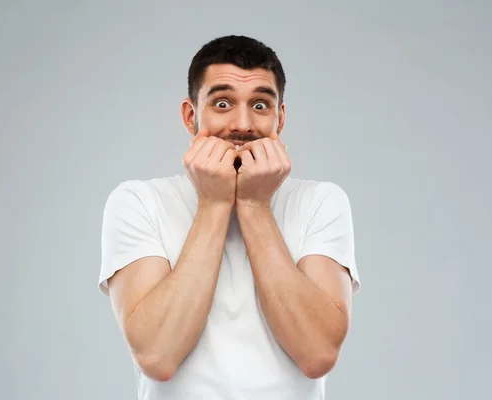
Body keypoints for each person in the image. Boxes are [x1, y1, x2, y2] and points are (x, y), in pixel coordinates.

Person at [98, 35, 361, 400]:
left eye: (260, 105)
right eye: (222, 103)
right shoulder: (138, 202)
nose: (243, 123)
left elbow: (317, 354)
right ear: (192, 116)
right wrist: (213, 203)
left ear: (279, 119)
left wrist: (254, 205)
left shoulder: (321, 201)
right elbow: (157, 356)